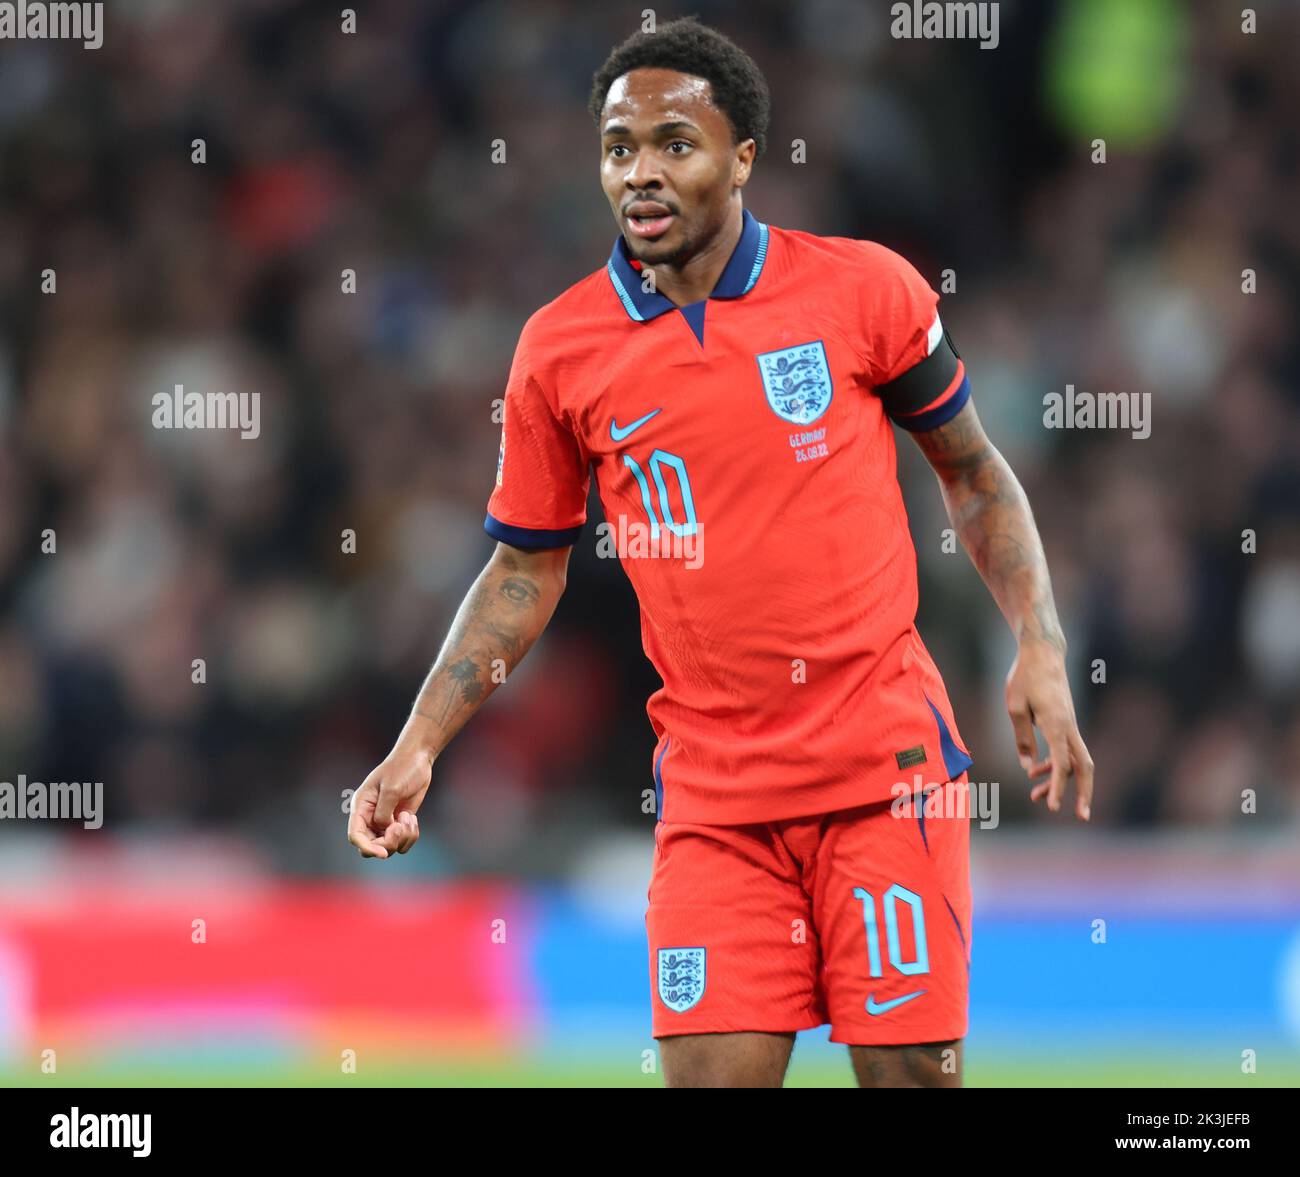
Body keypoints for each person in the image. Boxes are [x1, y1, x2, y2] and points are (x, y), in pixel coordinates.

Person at [348, 16, 1093, 1088]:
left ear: (742, 157)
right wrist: (420, 742)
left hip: (880, 775)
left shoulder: (863, 291)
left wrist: (1038, 643)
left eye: (673, 144)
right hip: (712, 798)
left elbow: (974, 473)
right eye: (618, 148)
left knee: (910, 1078)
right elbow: (524, 566)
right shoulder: (557, 353)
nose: (641, 173)